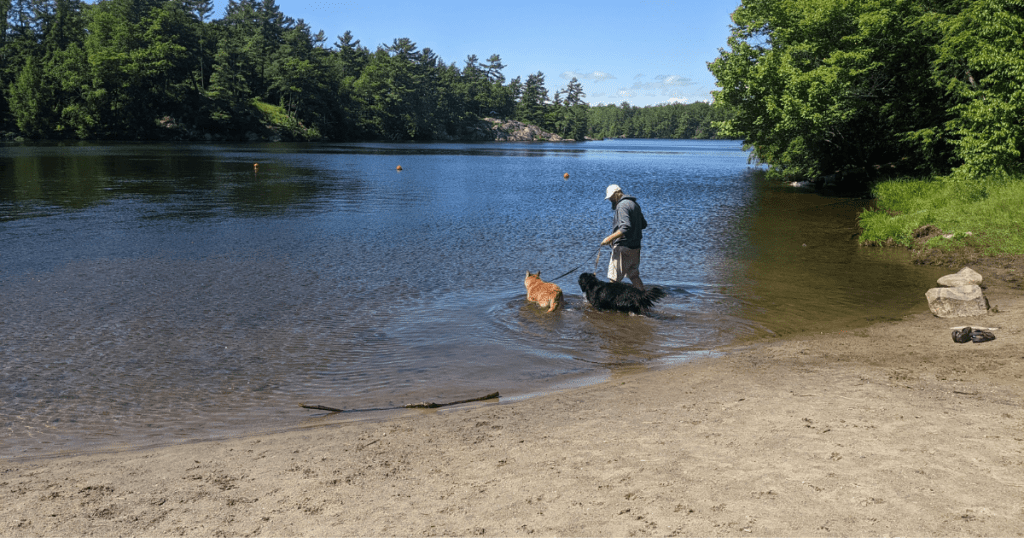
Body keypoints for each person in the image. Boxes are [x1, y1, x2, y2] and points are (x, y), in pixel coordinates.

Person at [600, 184, 648, 291]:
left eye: (611, 197)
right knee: (633, 275)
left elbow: (625, 227)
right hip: (635, 247)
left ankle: (611, 303)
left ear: (617, 194)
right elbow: (644, 224)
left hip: (623, 247)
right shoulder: (634, 204)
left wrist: (609, 238)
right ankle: (644, 298)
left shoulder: (621, 206)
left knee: (614, 278)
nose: (610, 200)